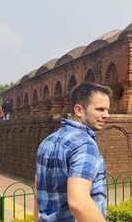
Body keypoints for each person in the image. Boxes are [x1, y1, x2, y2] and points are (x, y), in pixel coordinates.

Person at [35, 82, 112, 222]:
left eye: (107, 109)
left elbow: (39, 194)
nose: (106, 115)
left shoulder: (47, 142)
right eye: (100, 109)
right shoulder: (85, 144)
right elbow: (79, 202)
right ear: (79, 110)